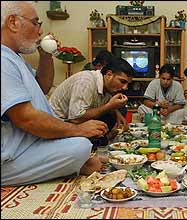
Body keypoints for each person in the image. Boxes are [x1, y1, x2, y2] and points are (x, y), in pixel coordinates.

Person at [1, 1, 109, 186]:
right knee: (81, 146)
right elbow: (26, 118)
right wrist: (78, 130)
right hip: (9, 156)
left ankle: (70, 165)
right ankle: (72, 166)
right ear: (13, 22)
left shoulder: (13, 57)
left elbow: (42, 86)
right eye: (35, 23)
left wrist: (46, 56)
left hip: (28, 144)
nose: (40, 31)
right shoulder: (3, 61)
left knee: (80, 146)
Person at [49, 57, 134, 145]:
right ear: (109, 74)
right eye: (122, 81)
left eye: (127, 84)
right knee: (104, 117)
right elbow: (76, 118)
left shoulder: (106, 86)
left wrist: (117, 114)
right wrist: (109, 106)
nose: (125, 87)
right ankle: (99, 144)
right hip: (58, 126)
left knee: (119, 111)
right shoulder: (85, 81)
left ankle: (103, 142)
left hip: (74, 122)